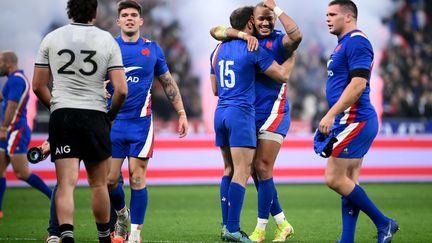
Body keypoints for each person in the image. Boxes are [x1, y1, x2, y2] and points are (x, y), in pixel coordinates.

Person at [32, 0, 128, 242]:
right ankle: (104, 236)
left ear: (69, 11)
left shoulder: (51, 38)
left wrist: (56, 107)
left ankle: (66, 234)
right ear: (95, 12)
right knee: (98, 184)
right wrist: (110, 117)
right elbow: (122, 90)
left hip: (63, 114)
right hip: (95, 115)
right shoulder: (107, 40)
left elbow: (38, 85)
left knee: (65, 183)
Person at [210, 0, 302, 241]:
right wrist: (290, 62)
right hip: (245, 114)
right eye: (260, 18)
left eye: (268, 18)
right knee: (248, 170)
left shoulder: (275, 40)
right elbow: (216, 30)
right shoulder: (248, 45)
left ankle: (259, 228)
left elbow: (296, 37)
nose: (265, 22)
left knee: (257, 168)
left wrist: (277, 12)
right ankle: (279, 223)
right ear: (251, 21)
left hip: (271, 112)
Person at [107, 1, 188, 243]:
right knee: (110, 180)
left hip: (141, 124)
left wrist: (181, 112)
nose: (129, 18)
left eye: (134, 15)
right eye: (125, 15)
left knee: (137, 177)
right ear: (118, 21)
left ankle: (135, 235)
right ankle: (122, 214)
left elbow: (168, 82)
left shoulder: (152, 49)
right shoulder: (109, 47)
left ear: (141, 21)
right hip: (113, 123)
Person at [318, 1, 398, 243]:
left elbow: (358, 84)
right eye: (326, 14)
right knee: (349, 182)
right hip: (352, 119)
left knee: (334, 178)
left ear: (349, 17)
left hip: (356, 119)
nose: (328, 19)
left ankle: (384, 223)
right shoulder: (344, 43)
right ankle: (347, 240)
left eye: (333, 14)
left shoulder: (357, 42)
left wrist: (331, 113)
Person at [0, 51, 52, 220]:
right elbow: (5, 99)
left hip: (15, 130)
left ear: (8, 63)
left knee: (21, 173)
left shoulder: (16, 80)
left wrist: (4, 128)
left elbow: (12, 107)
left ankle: (54, 197)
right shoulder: (13, 80)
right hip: (9, 130)